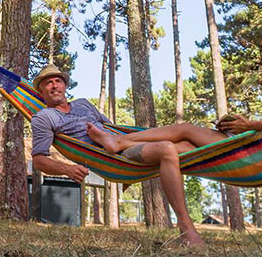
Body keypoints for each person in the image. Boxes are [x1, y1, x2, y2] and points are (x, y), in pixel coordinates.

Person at [28, 64, 206, 247]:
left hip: (122, 141)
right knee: (168, 148)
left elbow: (111, 126)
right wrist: (68, 169)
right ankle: (187, 227)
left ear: (65, 86)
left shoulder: (83, 103)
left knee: (188, 144)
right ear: (41, 91)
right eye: (48, 83)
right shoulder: (44, 117)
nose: (54, 85)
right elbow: (39, 159)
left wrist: (116, 139)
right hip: (115, 157)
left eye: (58, 81)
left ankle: (231, 148)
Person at [85, 59, 262, 156]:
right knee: (183, 149)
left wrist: (249, 125)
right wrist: (239, 128)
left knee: (185, 128)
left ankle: (118, 141)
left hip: (252, 151)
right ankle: (121, 144)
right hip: (252, 147)